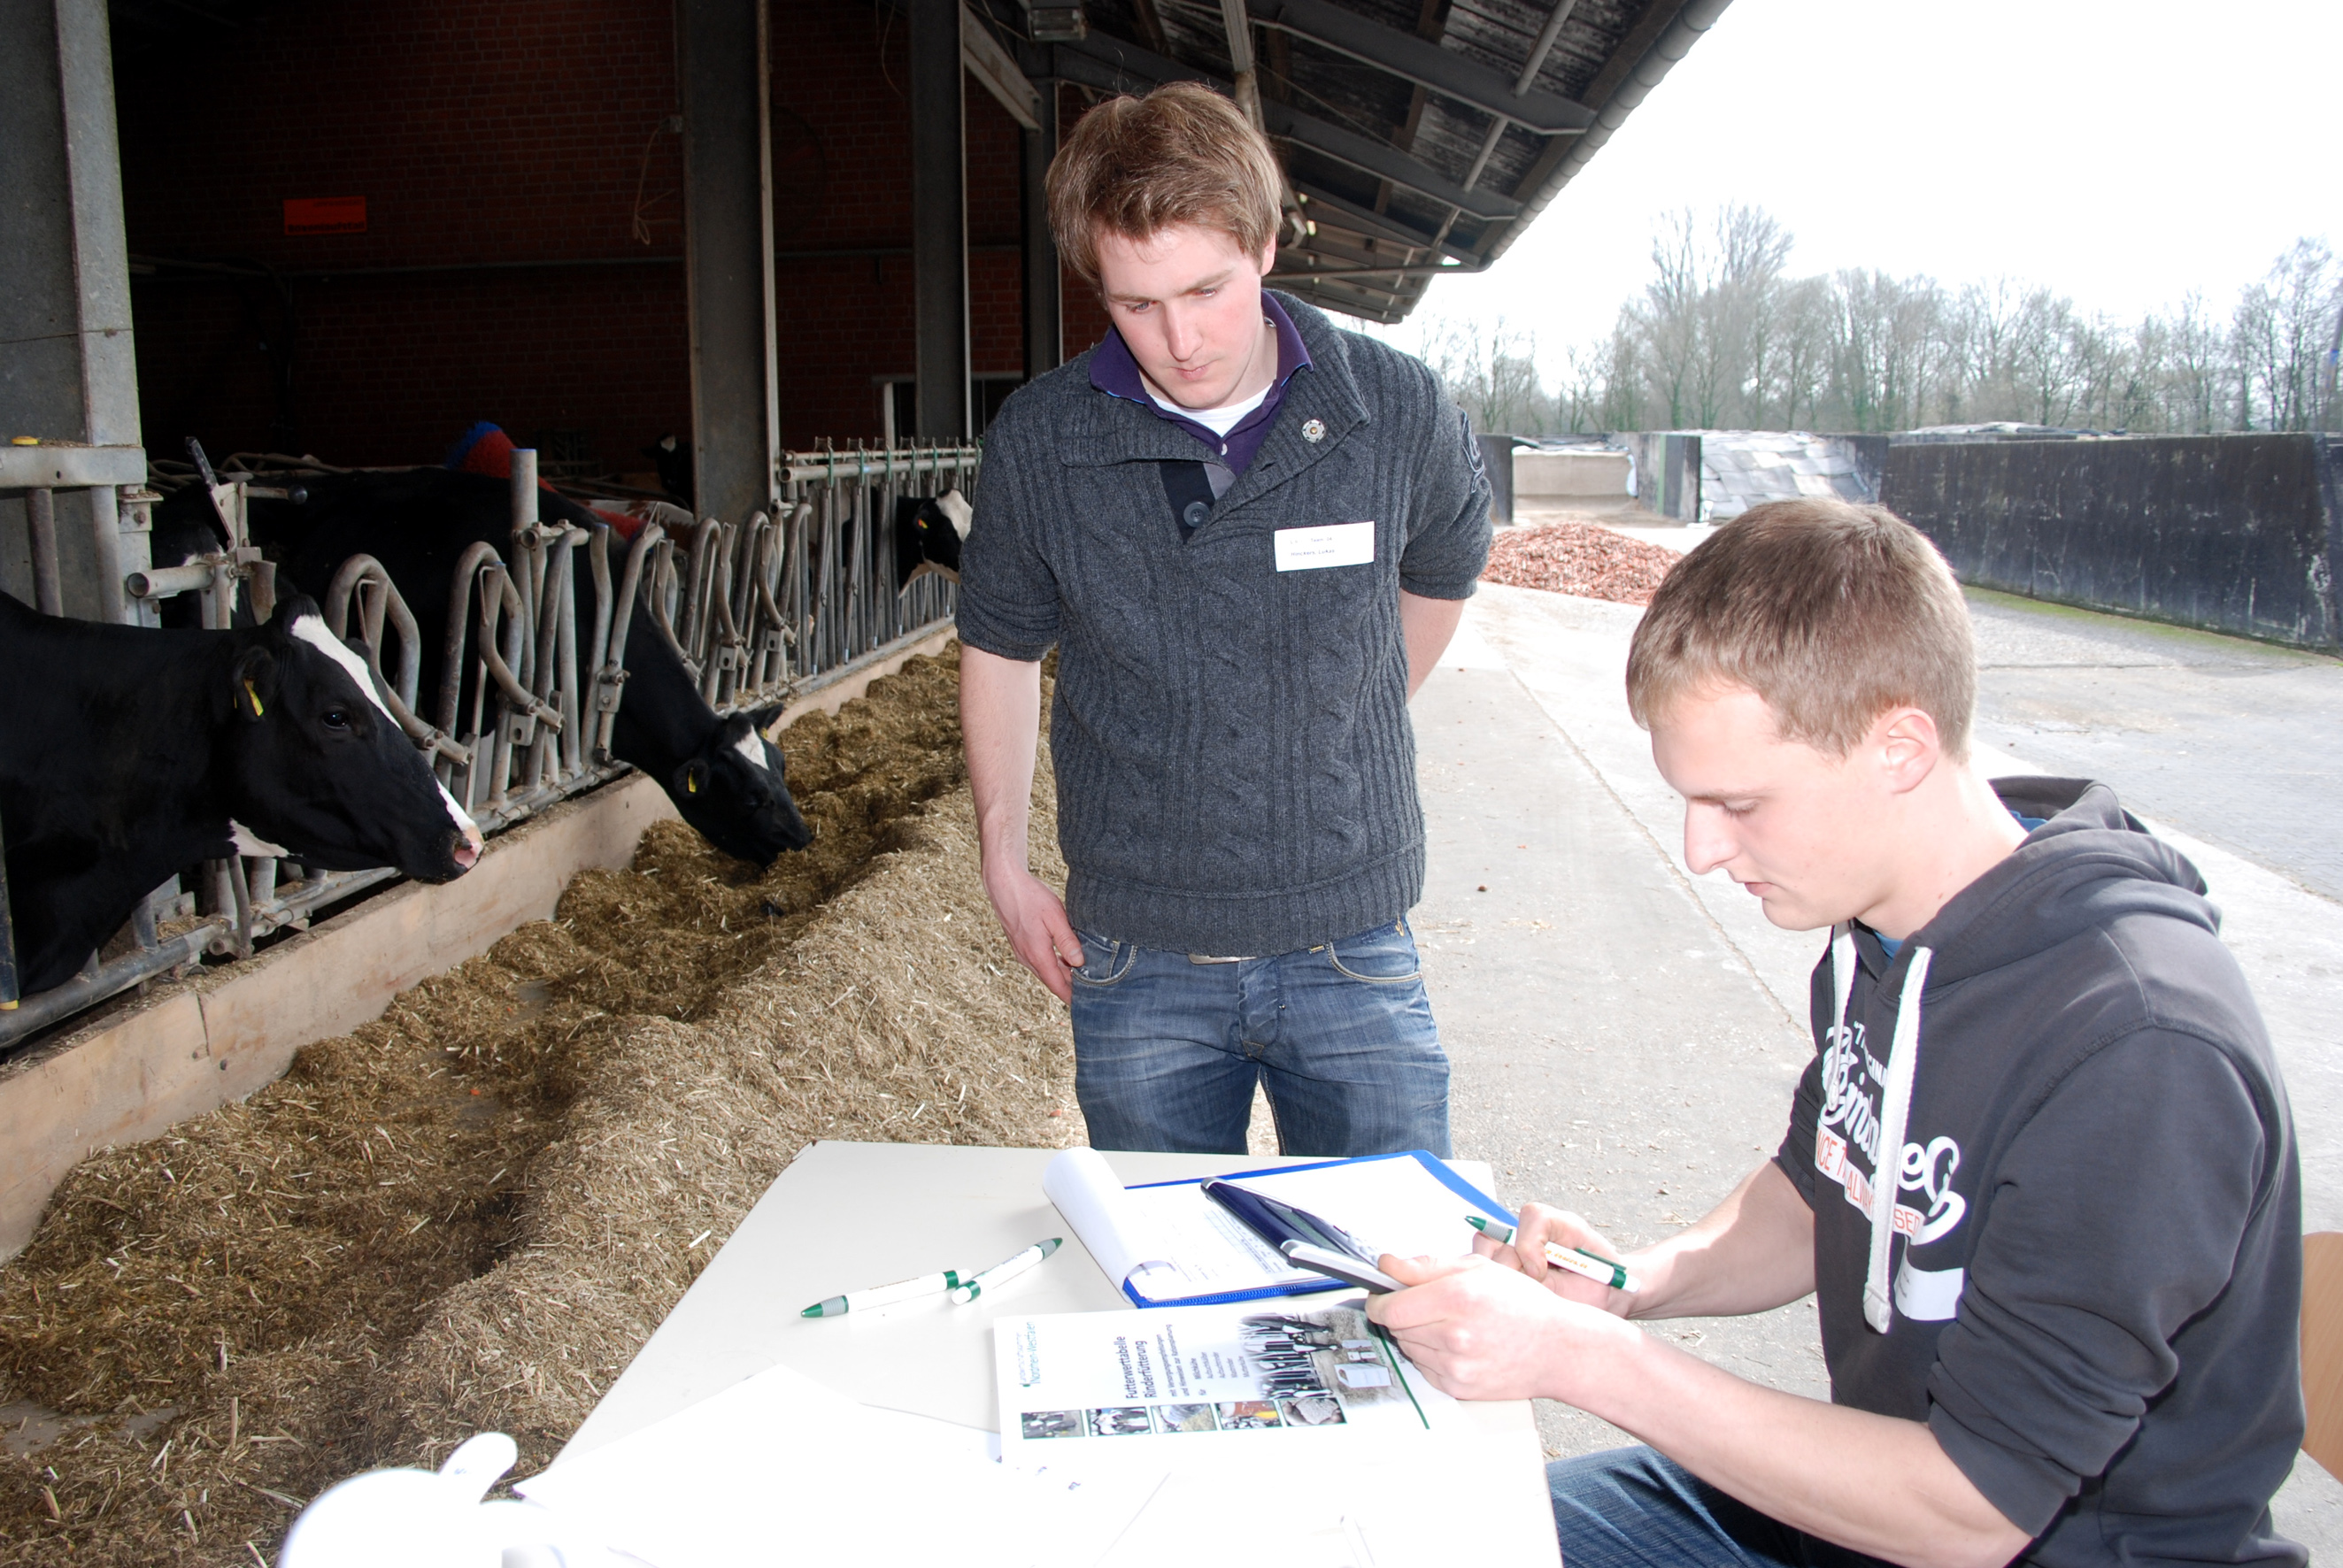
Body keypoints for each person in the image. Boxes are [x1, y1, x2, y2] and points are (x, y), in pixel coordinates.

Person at [1367, 498, 2304, 1568]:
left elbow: (1972, 1509)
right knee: (1421, 1533)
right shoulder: (1885, 932)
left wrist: (1581, 1357)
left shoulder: (2140, 1051)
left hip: (2003, 1533)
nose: (1700, 850)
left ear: (1898, 747)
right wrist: (1631, 1282)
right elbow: (1821, 1186)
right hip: (1860, 1515)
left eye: (1738, 804)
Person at [955, 81, 1491, 1158]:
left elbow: (1442, 570)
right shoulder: (1042, 440)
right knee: (1161, 1250)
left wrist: (1333, 713)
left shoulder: (1393, 409)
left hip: (1349, 937)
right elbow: (999, 644)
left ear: (1264, 245)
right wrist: (1001, 861)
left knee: (1394, 1249)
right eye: (1135, 305)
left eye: (1207, 289)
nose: (1181, 338)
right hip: (1137, 953)